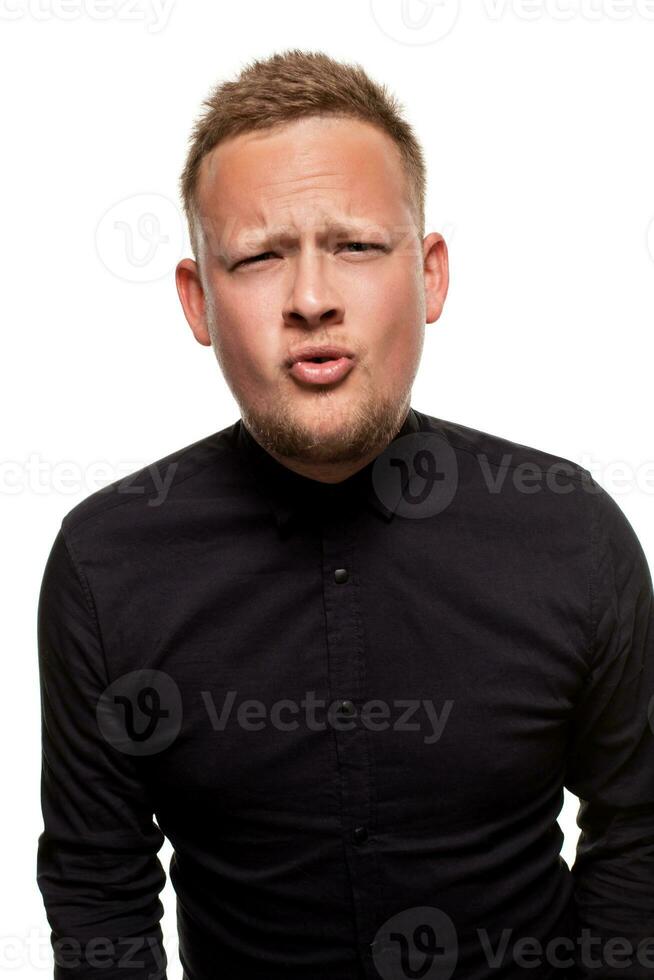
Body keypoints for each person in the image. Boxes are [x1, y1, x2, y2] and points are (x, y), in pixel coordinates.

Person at [36, 48, 654, 980]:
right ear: (199, 300)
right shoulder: (103, 565)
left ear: (431, 274)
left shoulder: (573, 534)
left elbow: (640, 832)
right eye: (257, 257)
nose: (312, 300)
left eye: (356, 246)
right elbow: (98, 882)